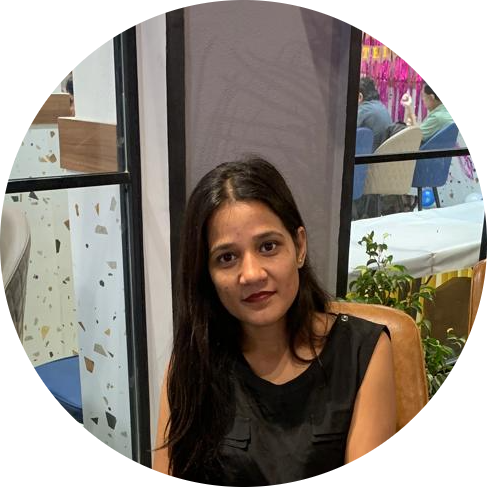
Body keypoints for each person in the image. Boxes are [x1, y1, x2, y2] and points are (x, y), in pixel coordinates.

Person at [153, 156, 396, 483]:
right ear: (206, 273)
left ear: (299, 246)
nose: (252, 274)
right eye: (227, 257)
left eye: (268, 246)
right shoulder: (193, 362)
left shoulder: (362, 353)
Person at [357, 77, 393, 151]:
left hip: (372, 155)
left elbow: (344, 133)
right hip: (384, 153)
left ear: (360, 97)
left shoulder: (364, 110)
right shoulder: (381, 106)